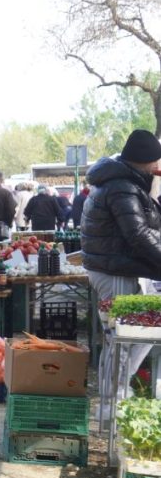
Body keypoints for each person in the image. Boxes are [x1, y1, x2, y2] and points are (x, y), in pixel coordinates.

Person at [82, 129, 161, 412]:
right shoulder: (121, 186)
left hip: (117, 266)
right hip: (114, 271)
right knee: (122, 339)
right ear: (147, 161)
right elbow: (138, 233)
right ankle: (112, 402)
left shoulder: (124, 180)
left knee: (134, 335)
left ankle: (116, 394)